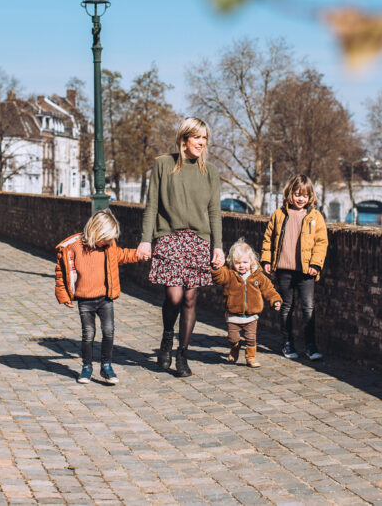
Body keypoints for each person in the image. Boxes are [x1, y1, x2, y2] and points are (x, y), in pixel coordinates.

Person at [137, 117, 224, 378]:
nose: (202, 142)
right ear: (184, 138)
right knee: (174, 297)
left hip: (199, 240)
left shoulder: (210, 172)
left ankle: (182, 354)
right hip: (170, 238)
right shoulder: (163, 164)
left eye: (205, 138)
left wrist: (218, 247)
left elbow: (215, 211)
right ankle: (167, 336)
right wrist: (145, 239)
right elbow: (152, 204)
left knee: (190, 298)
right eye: (197, 137)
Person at [54, 209, 141, 385]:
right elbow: (61, 273)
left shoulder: (109, 247)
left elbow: (122, 255)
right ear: (97, 232)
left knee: (108, 332)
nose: (110, 242)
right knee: (88, 334)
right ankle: (87, 367)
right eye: (107, 238)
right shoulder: (74, 248)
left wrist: (138, 255)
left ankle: (106, 365)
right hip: (85, 300)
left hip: (105, 299)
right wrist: (64, 295)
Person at [261, 174, 329, 360]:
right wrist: (266, 260)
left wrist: (316, 264)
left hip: (307, 271)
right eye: (297, 194)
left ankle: (310, 345)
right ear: (290, 194)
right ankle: (287, 343)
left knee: (308, 308)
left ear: (310, 197)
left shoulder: (315, 217)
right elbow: (268, 239)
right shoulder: (279, 214)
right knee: (286, 307)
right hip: (284, 268)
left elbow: (321, 243)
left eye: (305, 196)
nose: (301, 199)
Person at [211, 239, 281, 368]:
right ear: (232, 262)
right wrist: (216, 268)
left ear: (252, 262)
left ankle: (251, 357)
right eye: (238, 263)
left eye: (245, 262)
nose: (242, 265)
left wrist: (275, 300)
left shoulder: (257, 276)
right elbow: (218, 278)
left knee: (251, 338)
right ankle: (234, 348)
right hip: (233, 314)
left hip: (251, 315)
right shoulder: (229, 274)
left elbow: (268, 289)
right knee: (233, 338)